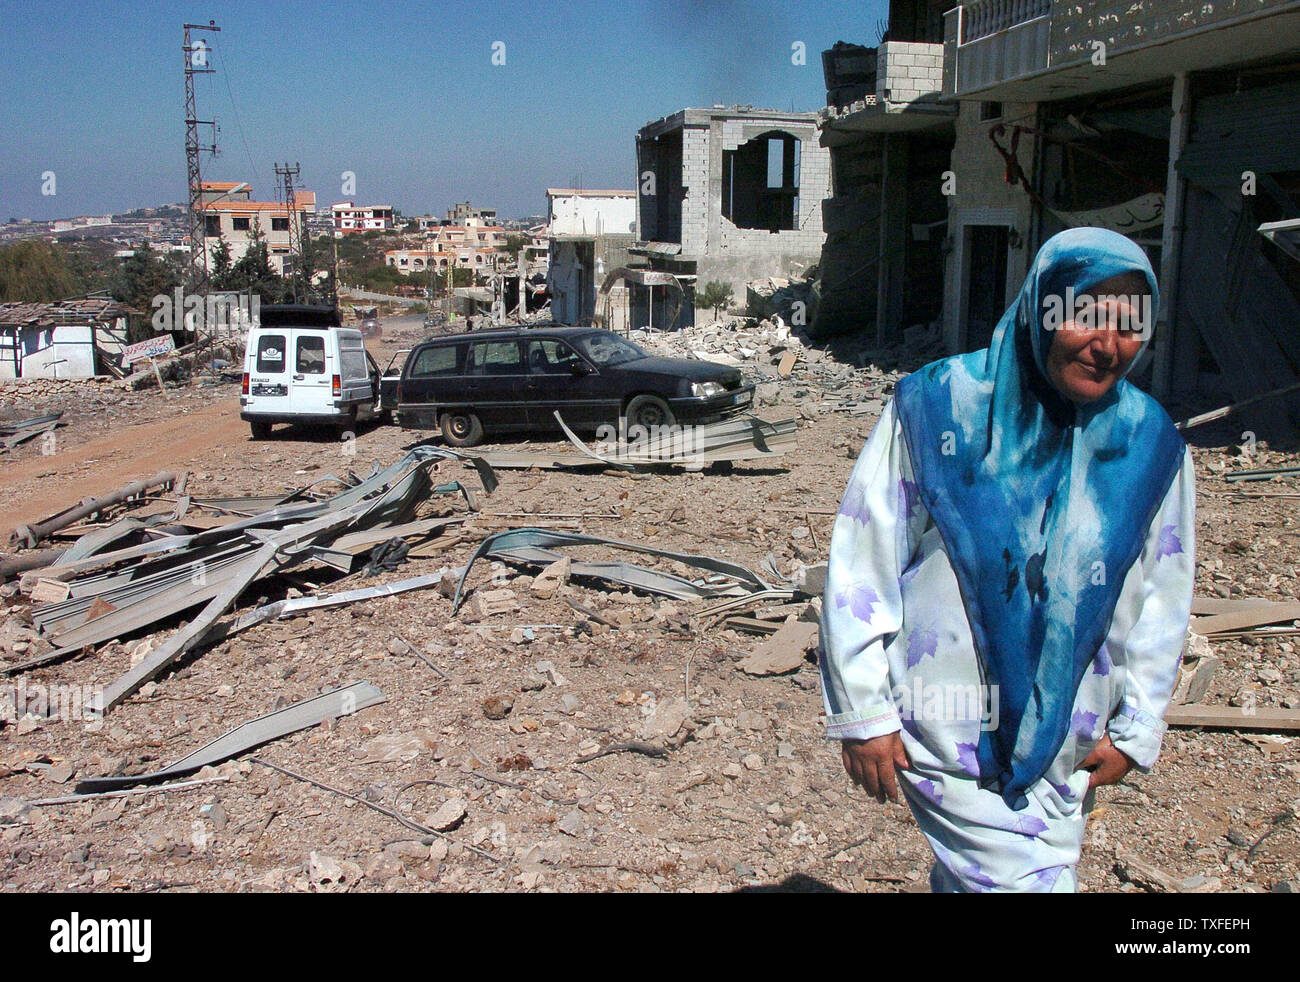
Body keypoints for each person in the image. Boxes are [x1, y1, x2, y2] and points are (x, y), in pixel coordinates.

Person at [819, 227, 1195, 892]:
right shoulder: (939, 404)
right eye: (1086, 315)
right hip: (951, 724)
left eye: (1130, 326)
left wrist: (1137, 723)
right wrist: (864, 711)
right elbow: (864, 556)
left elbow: (1164, 590)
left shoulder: (1150, 444)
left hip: (1069, 739)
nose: (1107, 346)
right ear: (1043, 305)